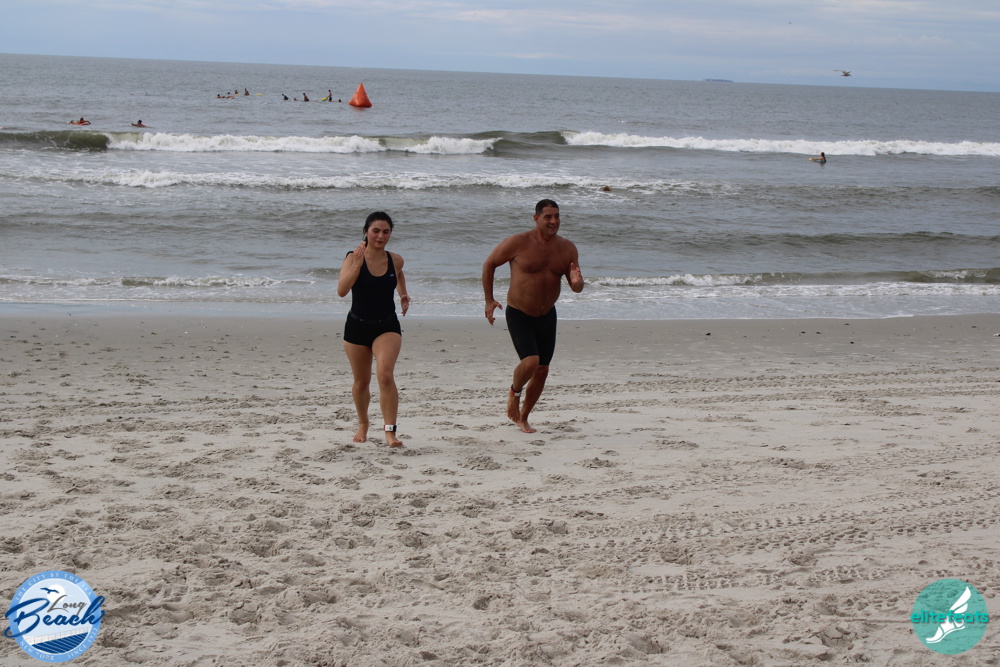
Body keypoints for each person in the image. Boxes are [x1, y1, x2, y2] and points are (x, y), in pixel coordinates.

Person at [482, 199, 584, 433]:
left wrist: (577, 283)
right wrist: (489, 299)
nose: (554, 221)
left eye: (557, 216)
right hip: (519, 313)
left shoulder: (567, 248)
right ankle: (514, 392)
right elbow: (489, 264)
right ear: (536, 218)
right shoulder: (518, 243)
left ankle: (524, 417)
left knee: (542, 370)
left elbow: (576, 286)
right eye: (548, 217)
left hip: (547, 315)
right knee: (530, 362)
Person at [338, 212, 410, 447]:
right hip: (356, 326)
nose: (381, 236)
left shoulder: (395, 259)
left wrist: (403, 293)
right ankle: (363, 423)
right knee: (361, 382)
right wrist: (357, 265)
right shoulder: (352, 257)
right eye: (376, 231)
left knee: (385, 375)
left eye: (386, 232)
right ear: (366, 231)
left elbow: (398, 273)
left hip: (386, 326)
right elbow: (342, 290)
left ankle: (390, 432)